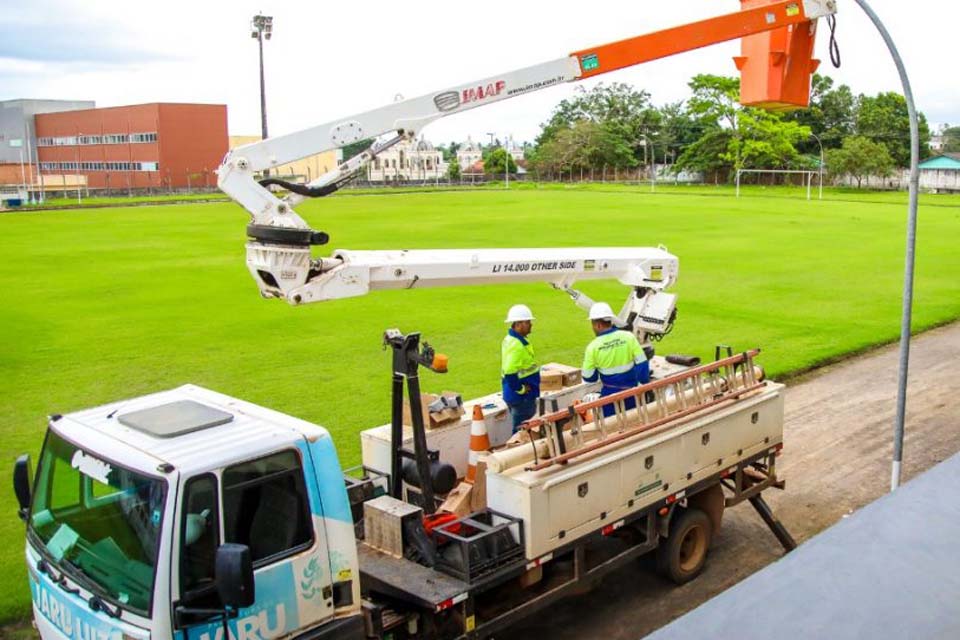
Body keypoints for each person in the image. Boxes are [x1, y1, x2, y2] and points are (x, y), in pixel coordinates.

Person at [582, 302, 650, 418]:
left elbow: (589, 377)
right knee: (634, 420)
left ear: (598, 325)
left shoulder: (592, 347)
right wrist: (641, 385)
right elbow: (642, 364)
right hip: (631, 392)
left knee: (612, 425)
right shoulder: (628, 337)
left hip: (609, 395)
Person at [501, 304, 540, 432]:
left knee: (521, 429)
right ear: (518, 324)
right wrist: (521, 389)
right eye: (528, 322)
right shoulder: (517, 345)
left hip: (515, 395)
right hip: (522, 398)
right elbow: (509, 372)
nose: (531, 324)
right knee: (522, 432)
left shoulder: (511, 339)